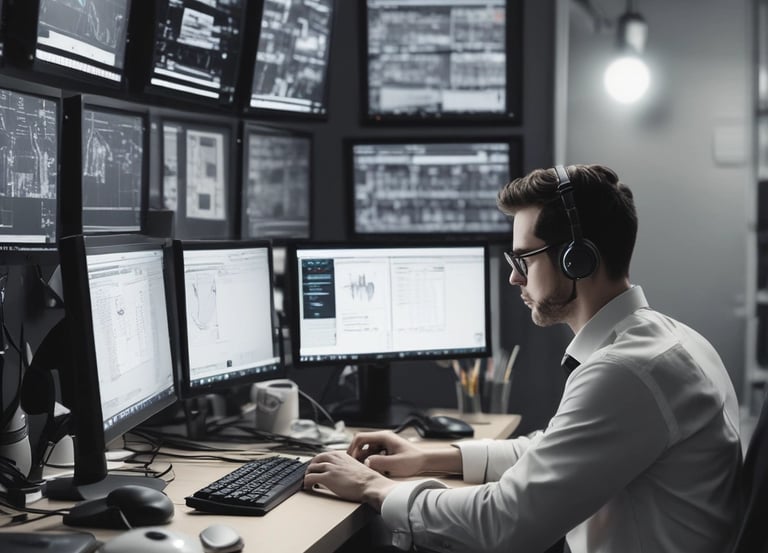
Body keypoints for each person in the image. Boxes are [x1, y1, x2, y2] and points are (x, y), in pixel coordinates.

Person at [303, 164, 743, 553]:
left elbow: (503, 524)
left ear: (577, 258)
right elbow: (555, 452)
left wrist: (374, 488)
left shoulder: (626, 371)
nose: (514, 276)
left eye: (523, 258)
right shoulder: (667, 340)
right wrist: (430, 457)